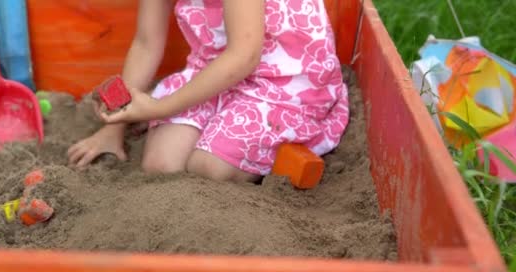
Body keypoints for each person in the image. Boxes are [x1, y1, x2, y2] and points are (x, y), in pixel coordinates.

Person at [67, 0, 349, 183]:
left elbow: (244, 56)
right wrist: (114, 127)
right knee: (162, 166)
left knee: (210, 168)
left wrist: (160, 108)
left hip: (284, 79)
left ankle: (282, 152)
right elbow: (146, 43)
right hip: (213, 67)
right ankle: (230, 133)